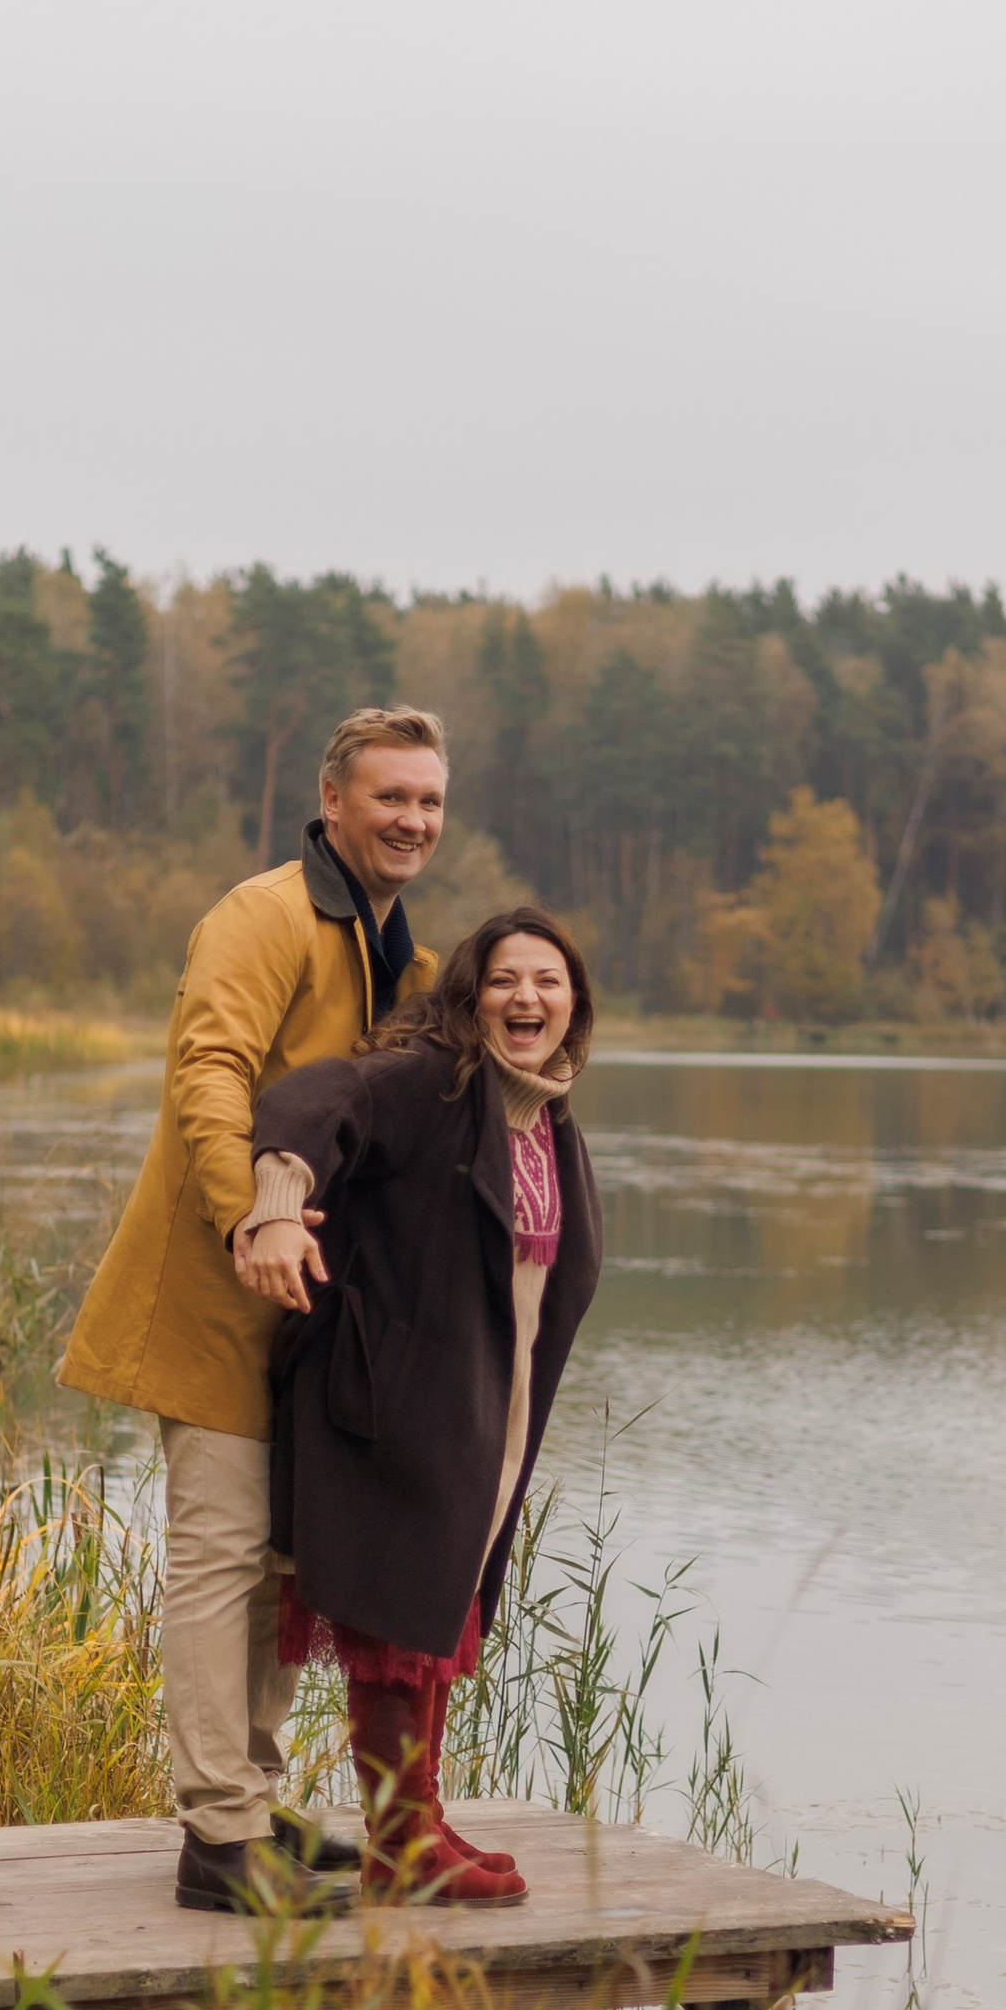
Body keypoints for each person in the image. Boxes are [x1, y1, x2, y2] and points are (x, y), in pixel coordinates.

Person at [57, 706, 449, 1912]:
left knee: (285, 1570)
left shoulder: (408, 961)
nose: (412, 821)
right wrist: (253, 1217)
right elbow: (210, 1072)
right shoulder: (265, 913)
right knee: (220, 1560)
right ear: (332, 801)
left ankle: (252, 1802)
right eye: (390, 798)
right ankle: (218, 1847)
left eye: (430, 803)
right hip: (214, 1293)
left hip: (310, 1321)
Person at [236, 908, 601, 1902]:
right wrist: (276, 1203)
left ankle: (420, 1822)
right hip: (395, 1401)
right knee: (401, 1621)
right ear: (469, 996)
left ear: (574, 1007)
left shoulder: (545, 1120)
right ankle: (400, 1846)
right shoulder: (429, 1085)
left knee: (435, 1617)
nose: (526, 998)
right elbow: (312, 1099)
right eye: (504, 979)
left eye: (547, 982)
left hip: (489, 1407)